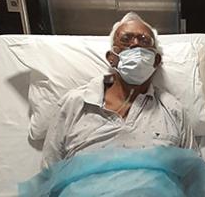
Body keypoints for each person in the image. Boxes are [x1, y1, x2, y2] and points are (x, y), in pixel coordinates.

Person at [42, 12, 195, 168]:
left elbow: (195, 176)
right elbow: (48, 174)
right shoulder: (74, 104)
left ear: (156, 60)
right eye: (126, 39)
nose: (135, 44)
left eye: (144, 40)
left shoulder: (173, 111)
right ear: (112, 58)